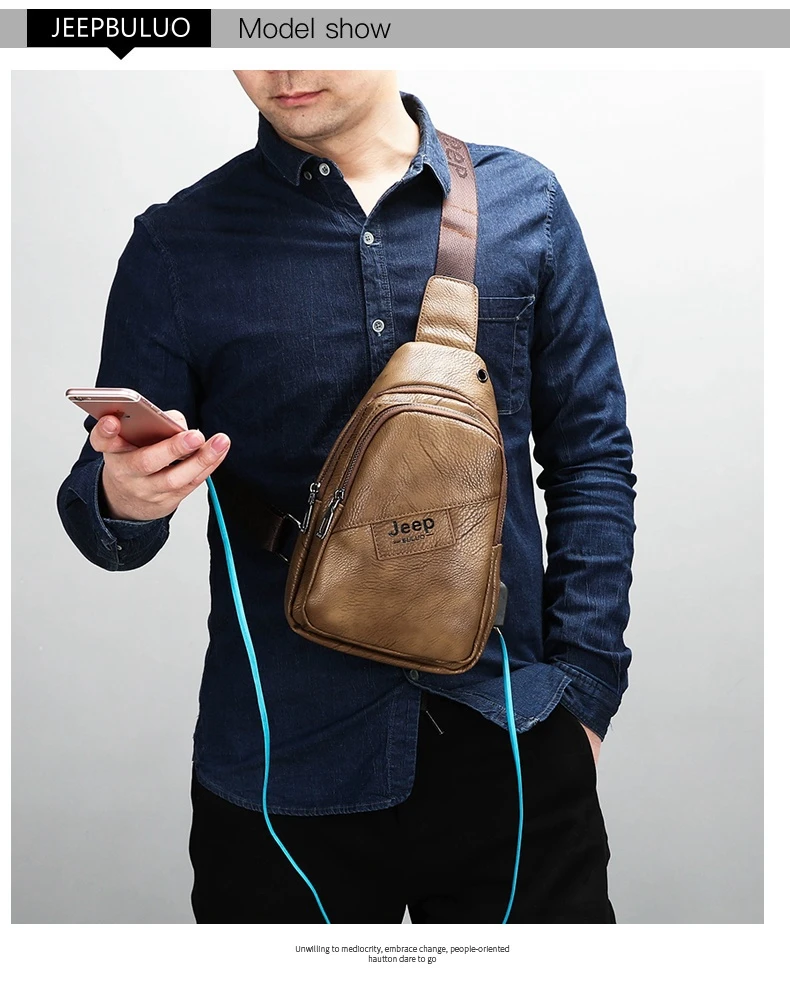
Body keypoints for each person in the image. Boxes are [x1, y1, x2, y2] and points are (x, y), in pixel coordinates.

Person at [57, 70, 637, 924]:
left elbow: (591, 455)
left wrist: (585, 692)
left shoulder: (529, 202)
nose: (287, 68)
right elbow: (101, 508)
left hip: (511, 741)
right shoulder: (178, 242)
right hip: (278, 765)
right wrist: (125, 494)